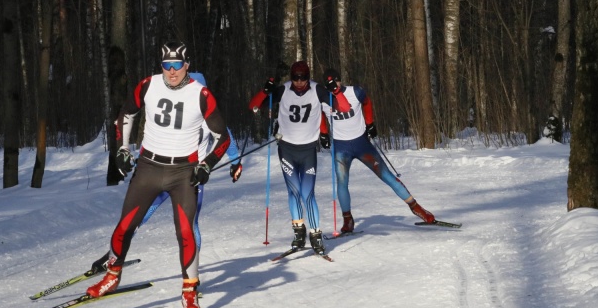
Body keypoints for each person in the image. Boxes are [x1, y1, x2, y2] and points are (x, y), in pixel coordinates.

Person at [86, 41, 231, 308]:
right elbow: (126, 115)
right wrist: (122, 149)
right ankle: (112, 276)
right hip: (149, 168)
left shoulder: (200, 93)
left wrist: (207, 164)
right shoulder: (148, 85)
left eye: (177, 65)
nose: (172, 71)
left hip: (183, 173)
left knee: (186, 232)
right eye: (167, 65)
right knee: (123, 227)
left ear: (187, 65)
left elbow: (221, 137)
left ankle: (189, 291)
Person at [248, 60, 350, 255]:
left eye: (303, 77)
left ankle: (316, 234)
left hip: (308, 150)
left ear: (308, 76)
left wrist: (335, 92)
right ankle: (299, 231)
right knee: (294, 192)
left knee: (307, 193)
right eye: (295, 77)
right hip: (286, 149)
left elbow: (343, 108)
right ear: (291, 77)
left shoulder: (316, 90)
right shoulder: (284, 90)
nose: (299, 82)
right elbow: (253, 106)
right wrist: (265, 90)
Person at [137, 72, 243, 250]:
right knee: (140, 213)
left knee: (189, 226)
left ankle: (192, 273)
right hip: (163, 171)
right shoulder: (173, 111)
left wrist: (235, 163)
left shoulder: (210, 116)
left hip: (191, 178)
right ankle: (113, 257)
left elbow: (227, 139)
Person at [322, 67, 435, 232]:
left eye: (336, 82)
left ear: (340, 80)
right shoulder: (324, 99)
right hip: (341, 147)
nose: (334, 86)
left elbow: (367, 102)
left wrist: (370, 123)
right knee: (342, 182)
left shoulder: (355, 92)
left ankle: (417, 208)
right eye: (330, 84)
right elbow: (319, 116)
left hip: (362, 144)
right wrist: (323, 134)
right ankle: (348, 220)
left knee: (387, 176)